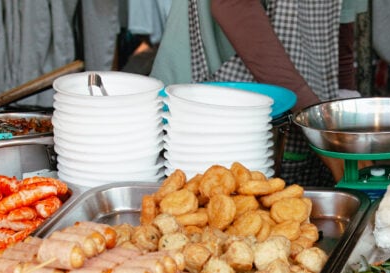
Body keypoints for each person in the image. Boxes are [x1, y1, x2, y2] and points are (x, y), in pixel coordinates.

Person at [150, 0, 367, 186]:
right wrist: (318, 121)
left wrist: (342, 119)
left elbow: (342, 24)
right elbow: (233, 6)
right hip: (210, 110)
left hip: (307, 109)